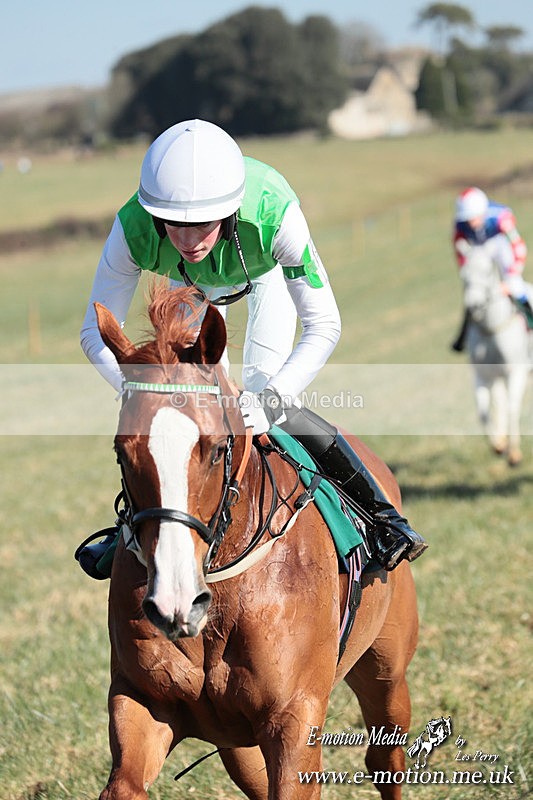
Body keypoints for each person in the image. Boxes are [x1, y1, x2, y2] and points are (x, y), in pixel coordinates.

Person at [78, 119, 426, 578]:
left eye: (201, 224)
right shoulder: (134, 227)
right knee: (172, 424)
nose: (186, 240)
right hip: (188, 291)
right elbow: (93, 332)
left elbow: (324, 323)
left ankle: (381, 516)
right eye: (173, 225)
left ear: (230, 209)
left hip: (262, 275)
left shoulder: (273, 214)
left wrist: (273, 398)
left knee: (264, 398)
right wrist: (145, 392)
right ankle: (133, 529)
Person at [451, 187, 531, 351]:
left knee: (516, 286)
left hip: (501, 247)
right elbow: (460, 250)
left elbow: (518, 246)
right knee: (474, 293)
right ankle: (463, 336)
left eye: (473, 218)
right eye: (468, 219)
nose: (471, 222)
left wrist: (512, 275)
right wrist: (466, 271)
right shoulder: (460, 224)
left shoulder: (501, 217)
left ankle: (530, 321)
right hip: (480, 252)